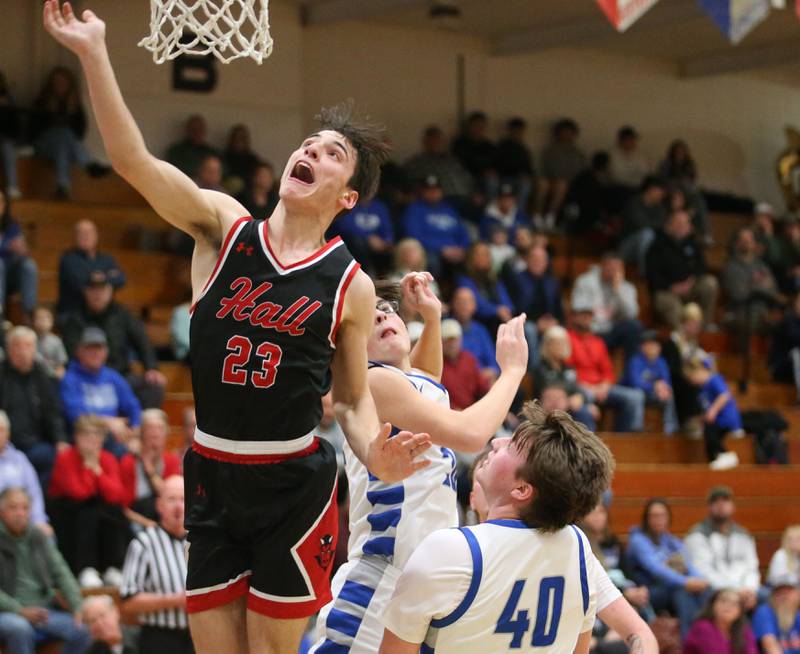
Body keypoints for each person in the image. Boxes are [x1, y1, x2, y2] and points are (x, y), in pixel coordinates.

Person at [44, 6, 430, 654]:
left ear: (347, 196)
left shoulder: (350, 283)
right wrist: (93, 54)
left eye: (331, 154)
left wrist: (373, 455)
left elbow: (355, 396)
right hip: (213, 475)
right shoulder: (223, 229)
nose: (309, 151)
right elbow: (133, 161)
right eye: (308, 143)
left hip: (293, 482)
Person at [312, 276, 527, 653]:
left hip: (420, 580)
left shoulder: (411, 382)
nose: (381, 316)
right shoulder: (374, 382)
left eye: (387, 309)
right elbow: (472, 433)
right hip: (384, 576)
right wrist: (511, 373)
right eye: (368, 317)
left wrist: (432, 317)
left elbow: (428, 378)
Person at [379, 402, 616, 654]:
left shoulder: (450, 549)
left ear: (522, 489)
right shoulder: (578, 547)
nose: (496, 443)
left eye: (511, 446)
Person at [465, 447, 658, 654]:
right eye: (484, 471)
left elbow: (640, 632)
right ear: (472, 498)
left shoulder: (568, 547)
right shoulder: (455, 552)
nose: (491, 474)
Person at [0, 487, 91, 654]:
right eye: (13, 508)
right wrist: (19, 610)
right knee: (19, 628)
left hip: (42, 612)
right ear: (2, 512)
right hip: (7, 612)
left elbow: (61, 572)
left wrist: (77, 605)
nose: (20, 513)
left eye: (25, 508)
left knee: (81, 631)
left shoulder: (40, 537)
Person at [59, 270, 167, 409]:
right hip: (87, 378)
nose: (97, 294)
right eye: (93, 289)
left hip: (121, 376)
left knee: (154, 386)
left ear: (110, 290)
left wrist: (151, 367)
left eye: (102, 289)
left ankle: (139, 427)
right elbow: (71, 353)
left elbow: (142, 341)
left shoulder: (123, 314)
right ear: (85, 292)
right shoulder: (74, 319)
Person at [48, 414, 129, 587]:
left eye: (97, 435)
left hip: (96, 509)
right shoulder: (65, 458)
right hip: (67, 511)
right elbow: (79, 492)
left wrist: (97, 471)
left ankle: (113, 568)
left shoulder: (108, 458)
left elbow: (117, 494)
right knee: (89, 510)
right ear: (76, 437)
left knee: (114, 512)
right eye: (86, 435)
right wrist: (89, 467)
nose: (92, 440)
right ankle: (86, 569)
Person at [120, 475, 192, 653]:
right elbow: (128, 601)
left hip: (198, 636)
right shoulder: (143, 543)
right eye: (171, 499)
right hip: (160, 638)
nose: (178, 506)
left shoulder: (201, 543)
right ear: (159, 505)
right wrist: (174, 600)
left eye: (183, 499)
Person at [626, 498, 710, 638]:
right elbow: (656, 570)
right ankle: (690, 642)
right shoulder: (638, 540)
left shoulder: (672, 542)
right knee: (682, 591)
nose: (658, 519)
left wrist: (701, 581)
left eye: (662, 515)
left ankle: (707, 639)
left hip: (671, 587)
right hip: (647, 591)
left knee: (707, 592)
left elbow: (688, 566)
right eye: (654, 516)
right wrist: (686, 582)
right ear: (646, 519)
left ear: (668, 518)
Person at [0, 326, 68, 487]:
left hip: (36, 443)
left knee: (55, 456)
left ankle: (37, 506)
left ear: (35, 349)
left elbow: (53, 412)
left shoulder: (42, 375)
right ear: (8, 350)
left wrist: (60, 440)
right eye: (17, 346)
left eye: (28, 346)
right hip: (6, 444)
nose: (23, 351)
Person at [60, 327, 142, 459]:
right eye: (90, 348)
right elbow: (76, 415)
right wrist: (108, 423)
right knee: (120, 451)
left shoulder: (113, 377)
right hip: (87, 437)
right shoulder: (70, 379)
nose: (95, 353)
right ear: (79, 351)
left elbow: (133, 406)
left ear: (106, 352)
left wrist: (135, 432)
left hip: (118, 435)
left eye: (99, 348)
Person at [31, 66, 109, 198]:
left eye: (63, 82)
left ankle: (63, 188)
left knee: (62, 147)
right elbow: (34, 129)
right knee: (63, 135)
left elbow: (80, 131)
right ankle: (88, 163)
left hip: (65, 148)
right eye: (57, 82)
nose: (60, 85)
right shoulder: (42, 102)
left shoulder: (74, 105)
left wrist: (68, 118)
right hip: (44, 145)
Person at [568, 301, 645, 432]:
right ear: (574, 317)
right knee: (586, 395)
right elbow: (567, 370)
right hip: (580, 386)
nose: (587, 319)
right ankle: (587, 445)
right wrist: (588, 387)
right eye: (582, 315)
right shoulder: (566, 338)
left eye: (589, 315)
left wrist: (604, 385)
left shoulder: (598, 342)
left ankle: (626, 439)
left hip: (601, 387)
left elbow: (608, 371)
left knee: (635, 396)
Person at [684, 486, 760, 610]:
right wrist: (734, 591)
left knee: (766, 598)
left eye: (725, 500)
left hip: (744, 589)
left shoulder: (744, 535)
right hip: (713, 589)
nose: (721, 505)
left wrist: (750, 589)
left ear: (733, 506)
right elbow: (703, 570)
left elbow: (751, 567)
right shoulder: (697, 534)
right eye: (715, 501)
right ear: (709, 507)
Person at [646, 209, 719, 329]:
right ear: (670, 225)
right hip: (667, 291)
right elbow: (652, 276)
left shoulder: (693, 244)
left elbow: (701, 267)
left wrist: (692, 281)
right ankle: (683, 335)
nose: (684, 227)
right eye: (680, 224)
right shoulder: (657, 246)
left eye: (686, 224)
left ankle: (705, 326)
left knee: (710, 283)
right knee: (671, 304)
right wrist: (672, 287)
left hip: (690, 286)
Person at [570, 251, 642, 359]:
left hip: (612, 329)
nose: (614, 272)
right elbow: (577, 308)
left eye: (617, 268)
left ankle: (630, 370)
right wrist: (591, 323)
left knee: (634, 326)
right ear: (602, 266)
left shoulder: (627, 287)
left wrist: (618, 292)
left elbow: (632, 314)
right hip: (592, 329)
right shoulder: (585, 282)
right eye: (610, 268)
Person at [119, 409, 181, 523]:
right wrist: (147, 524)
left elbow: (171, 496)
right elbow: (122, 508)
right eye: (150, 428)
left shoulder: (172, 461)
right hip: (135, 521)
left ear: (166, 433)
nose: (155, 433)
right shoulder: (128, 462)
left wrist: (150, 470)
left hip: (165, 521)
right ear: (141, 433)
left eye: (160, 428)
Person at [401, 175, 470, 277]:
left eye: (436, 190)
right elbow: (415, 237)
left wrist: (461, 248)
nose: (433, 193)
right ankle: (433, 289)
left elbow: (463, 232)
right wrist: (442, 249)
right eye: (429, 190)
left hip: (454, 250)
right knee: (432, 261)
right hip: (430, 250)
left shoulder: (449, 209)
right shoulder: (414, 209)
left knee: (472, 259)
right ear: (422, 192)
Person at [683, 357, 744, 470]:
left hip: (725, 419)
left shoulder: (714, 379)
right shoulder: (701, 389)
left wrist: (713, 410)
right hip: (715, 421)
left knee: (710, 432)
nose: (692, 381)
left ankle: (724, 454)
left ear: (701, 370)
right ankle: (715, 459)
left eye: (693, 377)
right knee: (709, 435)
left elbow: (724, 395)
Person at [509, 245, 564, 369]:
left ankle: (559, 371)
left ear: (546, 262)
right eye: (535, 259)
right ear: (527, 260)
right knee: (530, 330)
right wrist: (536, 322)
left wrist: (556, 321)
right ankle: (536, 370)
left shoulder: (552, 282)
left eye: (542, 260)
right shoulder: (517, 279)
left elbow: (558, 309)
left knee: (560, 332)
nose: (538, 263)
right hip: (526, 322)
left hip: (549, 322)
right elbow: (516, 308)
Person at [57, 218, 126, 317]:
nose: (86, 236)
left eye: (89, 233)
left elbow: (121, 279)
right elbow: (79, 281)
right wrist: (107, 277)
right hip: (74, 312)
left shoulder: (106, 259)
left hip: (104, 314)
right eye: (82, 233)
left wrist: (102, 278)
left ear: (96, 236)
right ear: (74, 237)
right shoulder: (68, 259)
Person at [534, 325, 597, 430]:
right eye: (555, 343)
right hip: (548, 409)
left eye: (562, 343)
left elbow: (577, 389)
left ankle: (586, 445)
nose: (559, 346)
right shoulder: (540, 368)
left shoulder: (569, 368)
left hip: (569, 409)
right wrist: (571, 399)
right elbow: (551, 389)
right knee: (582, 412)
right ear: (547, 345)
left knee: (586, 409)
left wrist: (582, 398)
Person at [722, 227, 782, 334]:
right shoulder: (731, 266)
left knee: (786, 325)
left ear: (754, 243)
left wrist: (751, 285)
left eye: (750, 239)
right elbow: (738, 293)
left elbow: (773, 291)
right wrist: (759, 284)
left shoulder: (762, 266)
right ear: (737, 243)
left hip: (763, 314)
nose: (747, 242)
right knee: (747, 323)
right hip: (740, 313)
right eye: (743, 239)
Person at [0, 410, 50, 534]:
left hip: (21, 520)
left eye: (1, 430)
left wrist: (39, 520)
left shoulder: (19, 459)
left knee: (44, 534)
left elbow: (34, 492)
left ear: (8, 434)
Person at [621, 330, 679, 434]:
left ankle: (670, 429)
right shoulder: (635, 361)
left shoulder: (661, 361)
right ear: (642, 346)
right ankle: (636, 428)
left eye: (657, 344)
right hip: (635, 394)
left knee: (669, 394)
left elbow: (666, 380)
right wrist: (654, 387)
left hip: (653, 394)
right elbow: (635, 383)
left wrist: (664, 389)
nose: (655, 347)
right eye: (651, 344)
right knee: (638, 394)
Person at [403, 126, 472, 207]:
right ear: (425, 142)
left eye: (437, 139)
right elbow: (408, 182)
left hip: (466, 198)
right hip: (442, 200)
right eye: (431, 140)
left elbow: (467, 178)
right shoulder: (416, 162)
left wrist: (475, 193)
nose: (435, 142)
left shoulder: (452, 161)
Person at [539, 118, 587, 230]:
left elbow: (582, 171)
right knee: (552, 185)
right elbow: (546, 169)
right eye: (564, 132)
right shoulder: (551, 150)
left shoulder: (578, 153)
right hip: (553, 181)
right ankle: (543, 216)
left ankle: (554, 217)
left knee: (565, 185)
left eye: (569, 132)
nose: (566, 135)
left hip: (573, 184)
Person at [456, 241, 514, 332]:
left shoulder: (494, 279)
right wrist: (496, 311)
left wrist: (506, 309)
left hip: (498, 320)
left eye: (485, 254)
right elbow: (475, 304)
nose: (482, 258)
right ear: (471, 258)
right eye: (478, 254)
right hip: (477, 321)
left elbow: (506, 299)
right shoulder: (465, 279)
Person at [329, 196, 394, 275]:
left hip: (377, 250)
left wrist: (385, 242)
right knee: (357, 242)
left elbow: (387, 231)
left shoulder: (380, 207)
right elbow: (344, 227)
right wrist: (368, 238)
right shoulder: (348, 205)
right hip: (351, 248)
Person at [0, 188, 38, 320]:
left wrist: (22, 250)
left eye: (1, 202)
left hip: (10, 273)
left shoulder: (12, 225)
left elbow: (22, 251)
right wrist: (6, 247)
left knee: (29, 266)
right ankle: (0, 313)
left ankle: (28, 314)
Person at [683, 588, 758, 654]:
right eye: (723, 601)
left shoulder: (744, 630)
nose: (728, 605)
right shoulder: (702, 627)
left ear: (740, 611)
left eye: (734, 603)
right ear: (713, 605)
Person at [449, 286, 499, 382]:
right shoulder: (447, 328)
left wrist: (491, 371)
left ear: (474, 306)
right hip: (458, 380)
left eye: (468, 302)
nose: (464, 306)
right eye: (460, 302)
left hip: (482, 379)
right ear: (453, 305)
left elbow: (494, 364)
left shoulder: (480, 330)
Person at [618, 176, 667, 273]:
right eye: (660, 193)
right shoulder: (634, 203)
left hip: (648, 247)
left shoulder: (659, 207)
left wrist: (656, 225)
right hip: (626, 247)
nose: (662, 196)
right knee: (647, 234)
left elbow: (663, 225)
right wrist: (656, 225)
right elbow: (641, 224)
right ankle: (645, 272)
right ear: (652, 190)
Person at [440, 318, 489, 411]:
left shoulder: (469, 359)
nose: (452, 344)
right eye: (448, 340)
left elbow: (483, 387)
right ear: (441, 342)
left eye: (455, 339)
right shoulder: (437, 365)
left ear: (461, 339)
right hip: (448, 415)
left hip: (473, 411)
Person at [451, 111, 497, 194]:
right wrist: (481, 170)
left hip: (485, 178)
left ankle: (491, 206)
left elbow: (494, 162)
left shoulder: (489, 145)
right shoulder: (460, 143)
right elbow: (460, 163)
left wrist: (491, 171)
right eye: (476, 125)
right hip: (466, 175)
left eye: (482, 125)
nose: (479, 128)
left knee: (492, 180)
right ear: (470, 126)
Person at [494, 118, 535, 211]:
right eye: (515, 130)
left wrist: (527, 175)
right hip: (503, 177)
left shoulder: (524, 149)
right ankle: (494, 213)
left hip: (518, 179)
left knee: (526, 184)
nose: (518, 133)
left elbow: (529, 168)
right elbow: (497, 165)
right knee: (493, 182)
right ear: (510, 131)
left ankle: (518, 213)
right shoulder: (502, 146)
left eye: (520, 131)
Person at [751, 577, 800, 654]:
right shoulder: (764, 612)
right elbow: (770, 645)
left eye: (788, 592)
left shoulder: (797, 614)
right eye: (779, 593)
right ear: (772, 596)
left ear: (797, 594)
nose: (784, 596)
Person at [165, 114, 219, 178]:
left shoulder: (212, 152)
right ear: (187, 130)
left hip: (207, 186)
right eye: (194, 129)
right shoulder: (176, 151)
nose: (197, 132)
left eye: (200, 129)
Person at [222, 124, 262, 194]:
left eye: (242, 138)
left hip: (248, 192)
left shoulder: (252, 159)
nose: (239, 141)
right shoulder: (223, 157)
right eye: (236, 138)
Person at [0, 70, 22, 199]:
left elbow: (15, 126)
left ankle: (12, 186)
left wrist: (3, 109)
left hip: (4, 139)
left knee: (8, 148)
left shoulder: (8, 99)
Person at [609, 126, 650, 192]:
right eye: (629, 140)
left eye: (633, 140)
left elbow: (645, 172)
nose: (632, 142)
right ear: (621, 141)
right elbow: (617, 175)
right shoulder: (612, 155)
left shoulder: (640, 154)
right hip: (618, 188)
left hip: (638, 187)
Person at [33, 305, 68, 377]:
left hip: (51, 376)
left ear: (51, 322)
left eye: (45, 319)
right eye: (38, 318)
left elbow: (61, 365)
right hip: (34, 376)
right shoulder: (29, 339)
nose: (41, 321)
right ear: (33, 322)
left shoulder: (56, 341)